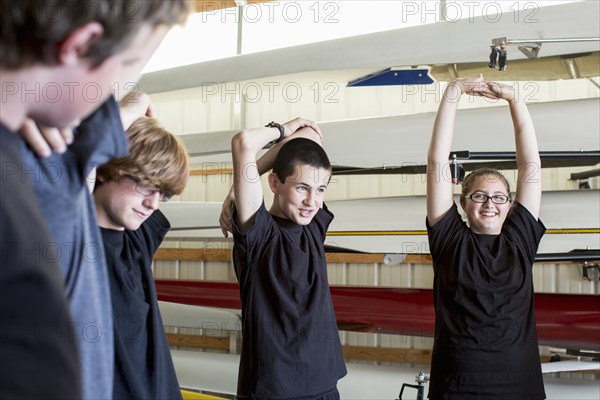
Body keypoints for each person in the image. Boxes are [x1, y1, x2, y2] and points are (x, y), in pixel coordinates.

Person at [1, 2, 190, 398]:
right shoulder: (55, 165)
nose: (108, 96)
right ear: (80, 45)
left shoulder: (52, 157)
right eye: (127, 67)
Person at [425, 76, 545, 400]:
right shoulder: (450, 239)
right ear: (463, 203)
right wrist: (452, 94)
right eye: (479, 196)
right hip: (458, 385)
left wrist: (515, 99)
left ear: (510, 203)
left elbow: (530, 166)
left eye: (498, 197)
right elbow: (437, 163)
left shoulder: (520, 238)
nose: (489, 204)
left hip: (520, 385)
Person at [222, 119, 347, 399]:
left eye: (321, 189)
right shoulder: (260, 233)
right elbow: (243, 142)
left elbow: (310, 135)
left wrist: (237, 188)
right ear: (274, 183)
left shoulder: (313, 227)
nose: (312, 201)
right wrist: (281, 129)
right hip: (274, 390)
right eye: (302, 188)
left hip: (324, 385)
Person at [93, 116, 189, 399]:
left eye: (163, 194)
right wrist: (140, 101)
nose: (153, 203)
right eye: (145, 185)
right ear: (104, 168)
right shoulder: (70, 238)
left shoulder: (138, 238)